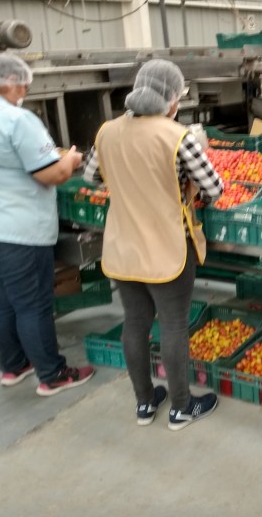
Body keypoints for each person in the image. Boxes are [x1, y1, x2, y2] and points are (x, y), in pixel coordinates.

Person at [83, 59, 224, 431]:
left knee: (136, 323)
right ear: (173, 97)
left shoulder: (107, 131)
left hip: (123, 244)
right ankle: (181, 407)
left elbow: (92, 177)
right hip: (167, 246)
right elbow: (214, 188)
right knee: (174, 325)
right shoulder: (177, 135)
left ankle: (145, 403)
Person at [0, 54, 95, 396]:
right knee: (33, 304)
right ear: (10, 81)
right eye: (24, 83)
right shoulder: (16, 119)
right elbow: (52, 174)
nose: (26, 89)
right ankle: (53, 374)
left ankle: (13, 366)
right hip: (13, 230)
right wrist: (69, 160)